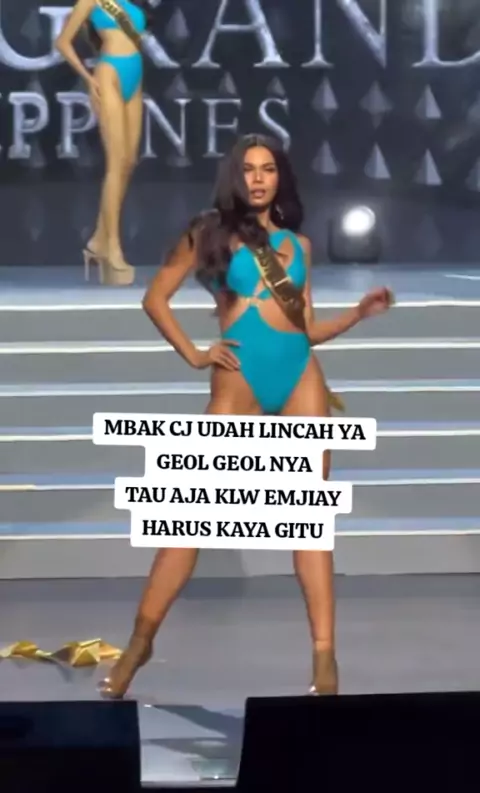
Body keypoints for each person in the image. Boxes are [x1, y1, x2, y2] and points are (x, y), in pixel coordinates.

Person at [99, 133, 394, 699]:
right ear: (235, 177)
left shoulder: (299, 245)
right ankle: (139, 643)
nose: (259, 179)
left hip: (301, 375)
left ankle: (325, 660)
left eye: (268, 169)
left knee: (310, 519)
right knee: (186, 520)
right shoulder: (207, 232)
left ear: (280, 178)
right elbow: (154, 298)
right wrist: (193, 353)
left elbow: (306, 329)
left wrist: (358, 314)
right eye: (249, 170)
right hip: (238, 381)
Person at [55, 0, 151, 286]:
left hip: (135, 74)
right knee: (115, 163)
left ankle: (97, 240)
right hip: (108, 75)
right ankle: (112, 248)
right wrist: (88, 78)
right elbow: (62, 42)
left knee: (129, 161)